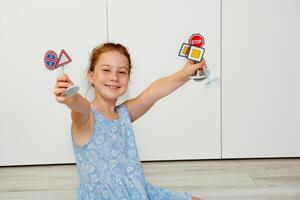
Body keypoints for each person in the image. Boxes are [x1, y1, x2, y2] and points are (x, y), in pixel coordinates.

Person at [54, 43, 205, 200]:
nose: (114, 77)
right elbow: (81, 108)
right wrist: (71, 99)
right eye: (106, 70)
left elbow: (152, 93)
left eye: (122, 72)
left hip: (138, 192)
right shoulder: (86, 118)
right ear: (91, 76)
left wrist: (185, 73)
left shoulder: (124, 114)